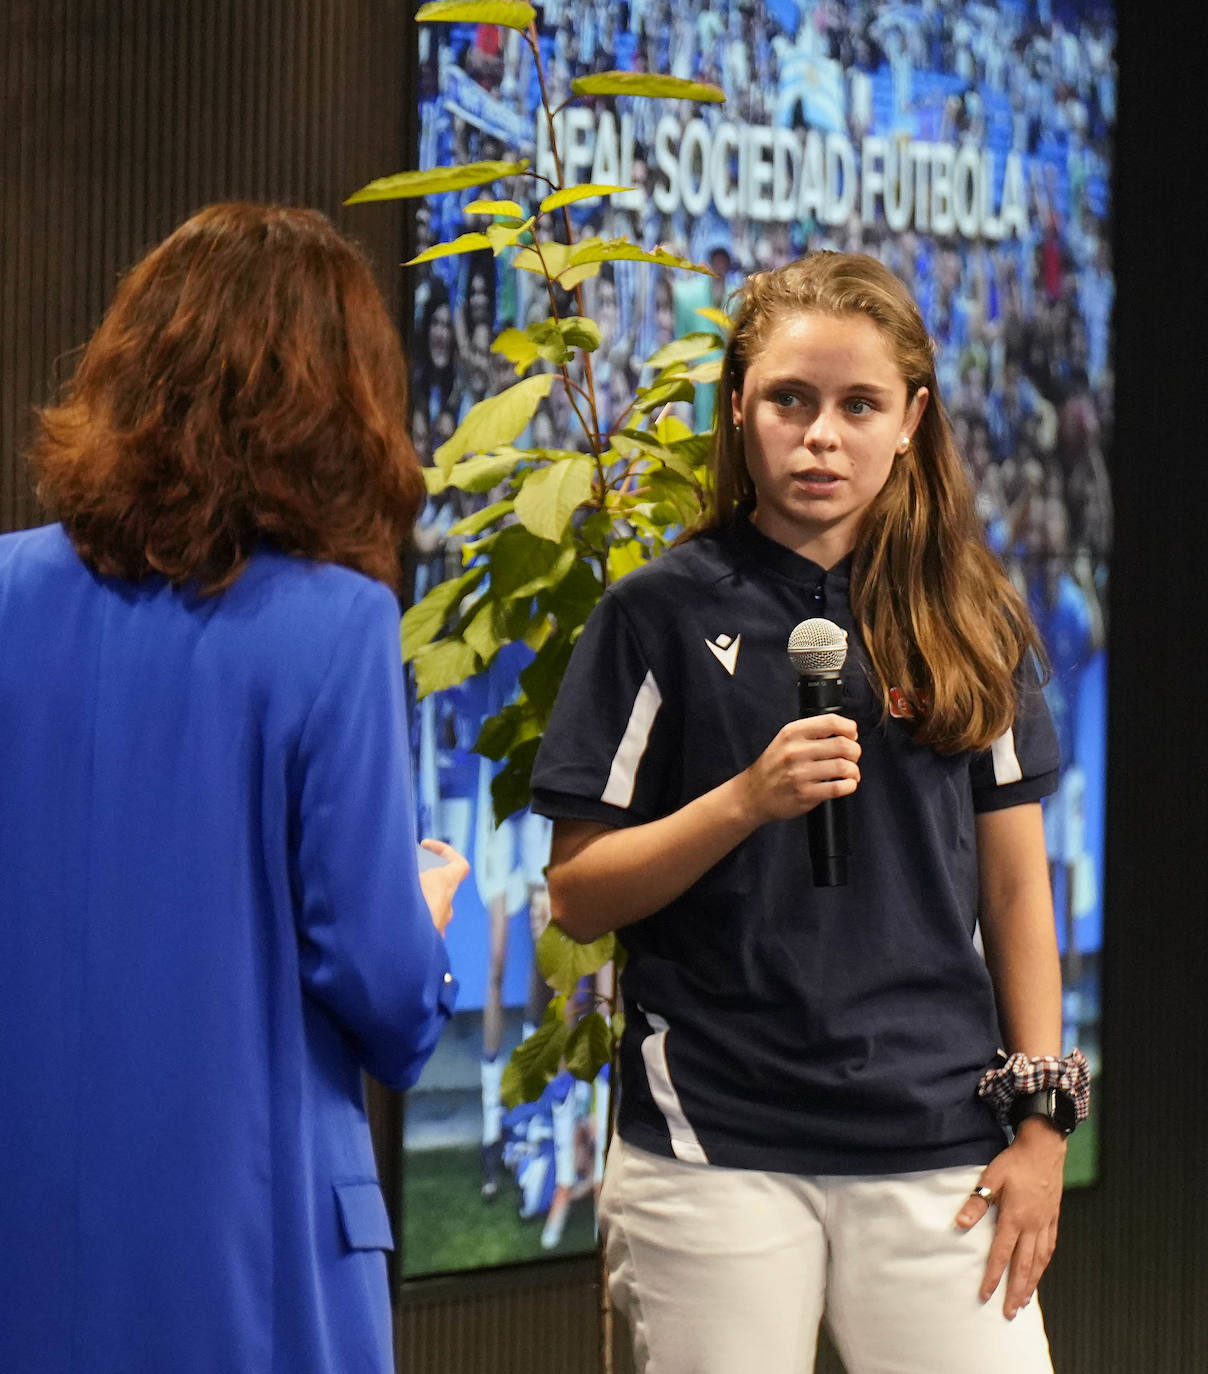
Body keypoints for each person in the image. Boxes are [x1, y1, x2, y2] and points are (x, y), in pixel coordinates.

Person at [530, 252, 1090, 1374]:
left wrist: (1039, 1126)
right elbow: (578, 893)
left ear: (910, 419)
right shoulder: (655, 613)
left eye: (856, 405)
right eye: (788, 399)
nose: (819, 436)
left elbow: (1017, 883)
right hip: (714, 1148)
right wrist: (744, 800)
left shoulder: (970, 613)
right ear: (736, 408)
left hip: (939, 1141)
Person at [0, 203, 468, 1374]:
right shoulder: (337, 627)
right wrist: (430, 908)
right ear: (338, 402)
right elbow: (381, 984)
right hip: (255, 1272)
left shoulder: (3, 595)